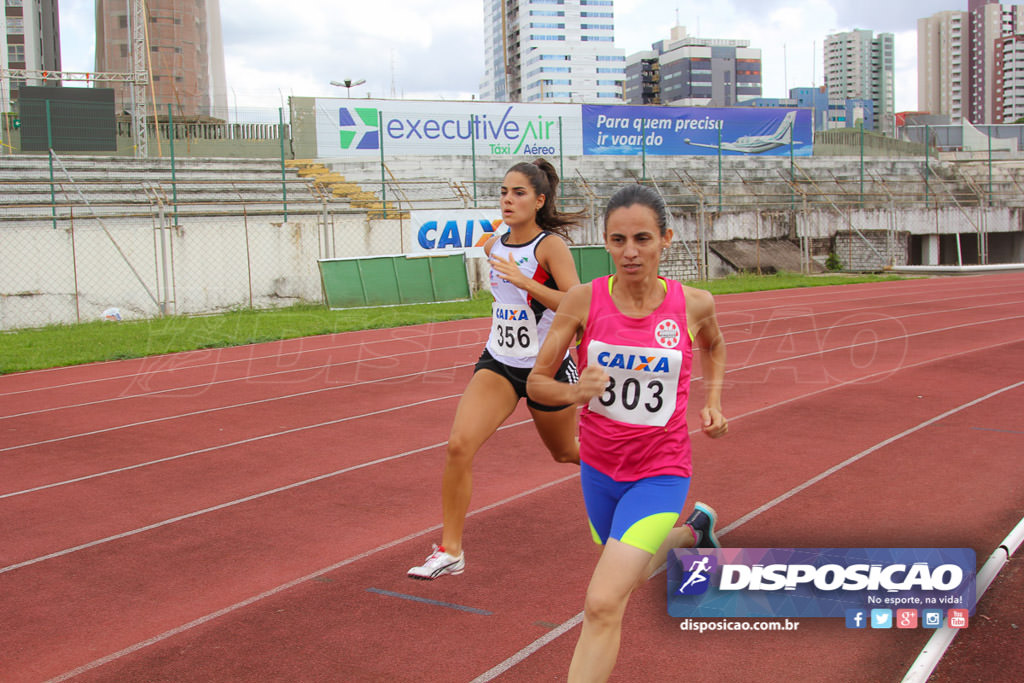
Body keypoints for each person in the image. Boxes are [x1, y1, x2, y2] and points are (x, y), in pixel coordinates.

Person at [526, 184, 728, 681]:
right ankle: (692, 533)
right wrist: (575, 393)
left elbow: (715, 347)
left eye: (642, 238)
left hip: (661, 472)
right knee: (628, 574)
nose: (630, 252)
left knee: (602, 602)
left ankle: (683, 528)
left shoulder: (694, 303)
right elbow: (536, 382)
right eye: (617, 240)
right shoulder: (582, 300)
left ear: (666, 239)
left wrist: (714, 402)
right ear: (606, 242)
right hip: (599, 470)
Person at [408, 158, 585, 580]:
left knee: (566, 453)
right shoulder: (493, 243)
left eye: (519, 192)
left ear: (539, 201)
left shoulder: (549, 247)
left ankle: (640, 472)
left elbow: (580, 303)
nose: (508, 199)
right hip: (500, 362)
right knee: (458, 445)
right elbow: (496, 255)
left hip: (547, 368)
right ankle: (451, 550)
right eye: (504, 191)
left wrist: (528, 284)